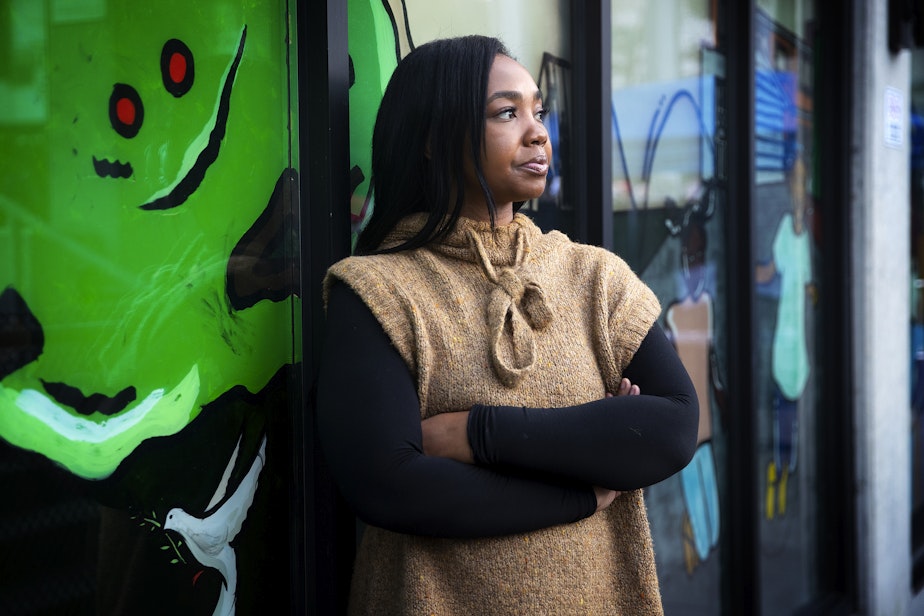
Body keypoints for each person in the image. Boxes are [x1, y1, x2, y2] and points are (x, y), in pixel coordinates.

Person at [316, 35, 699, 615]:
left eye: (539, 112)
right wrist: (587, 486)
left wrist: (476, 435)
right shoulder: (377, 291)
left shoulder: (592, 275)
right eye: (506, 113)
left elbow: (671, 428)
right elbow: (391, 487)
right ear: (431, 137)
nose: (538, 132)